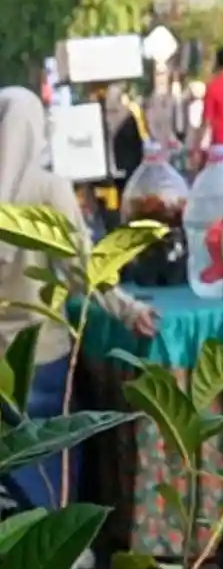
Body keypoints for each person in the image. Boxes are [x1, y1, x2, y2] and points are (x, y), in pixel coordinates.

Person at [0, 87, 157, 506]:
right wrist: (129, 310)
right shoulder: (49, 188)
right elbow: (84, 269)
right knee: (50, 454)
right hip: (41, 350)